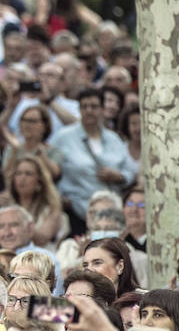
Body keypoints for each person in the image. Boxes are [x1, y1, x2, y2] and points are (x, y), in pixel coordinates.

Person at [48, 88, 135, 229]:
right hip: (75, 211)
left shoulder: (113, 139)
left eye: (94, 106)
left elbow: (130, 171)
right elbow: (49, 170)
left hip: (109, 213)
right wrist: (59, 197)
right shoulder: (63, 137)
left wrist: (119, 177)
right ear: (79, 109)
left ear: (102, 109)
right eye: (84, 106)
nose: (89, 111)